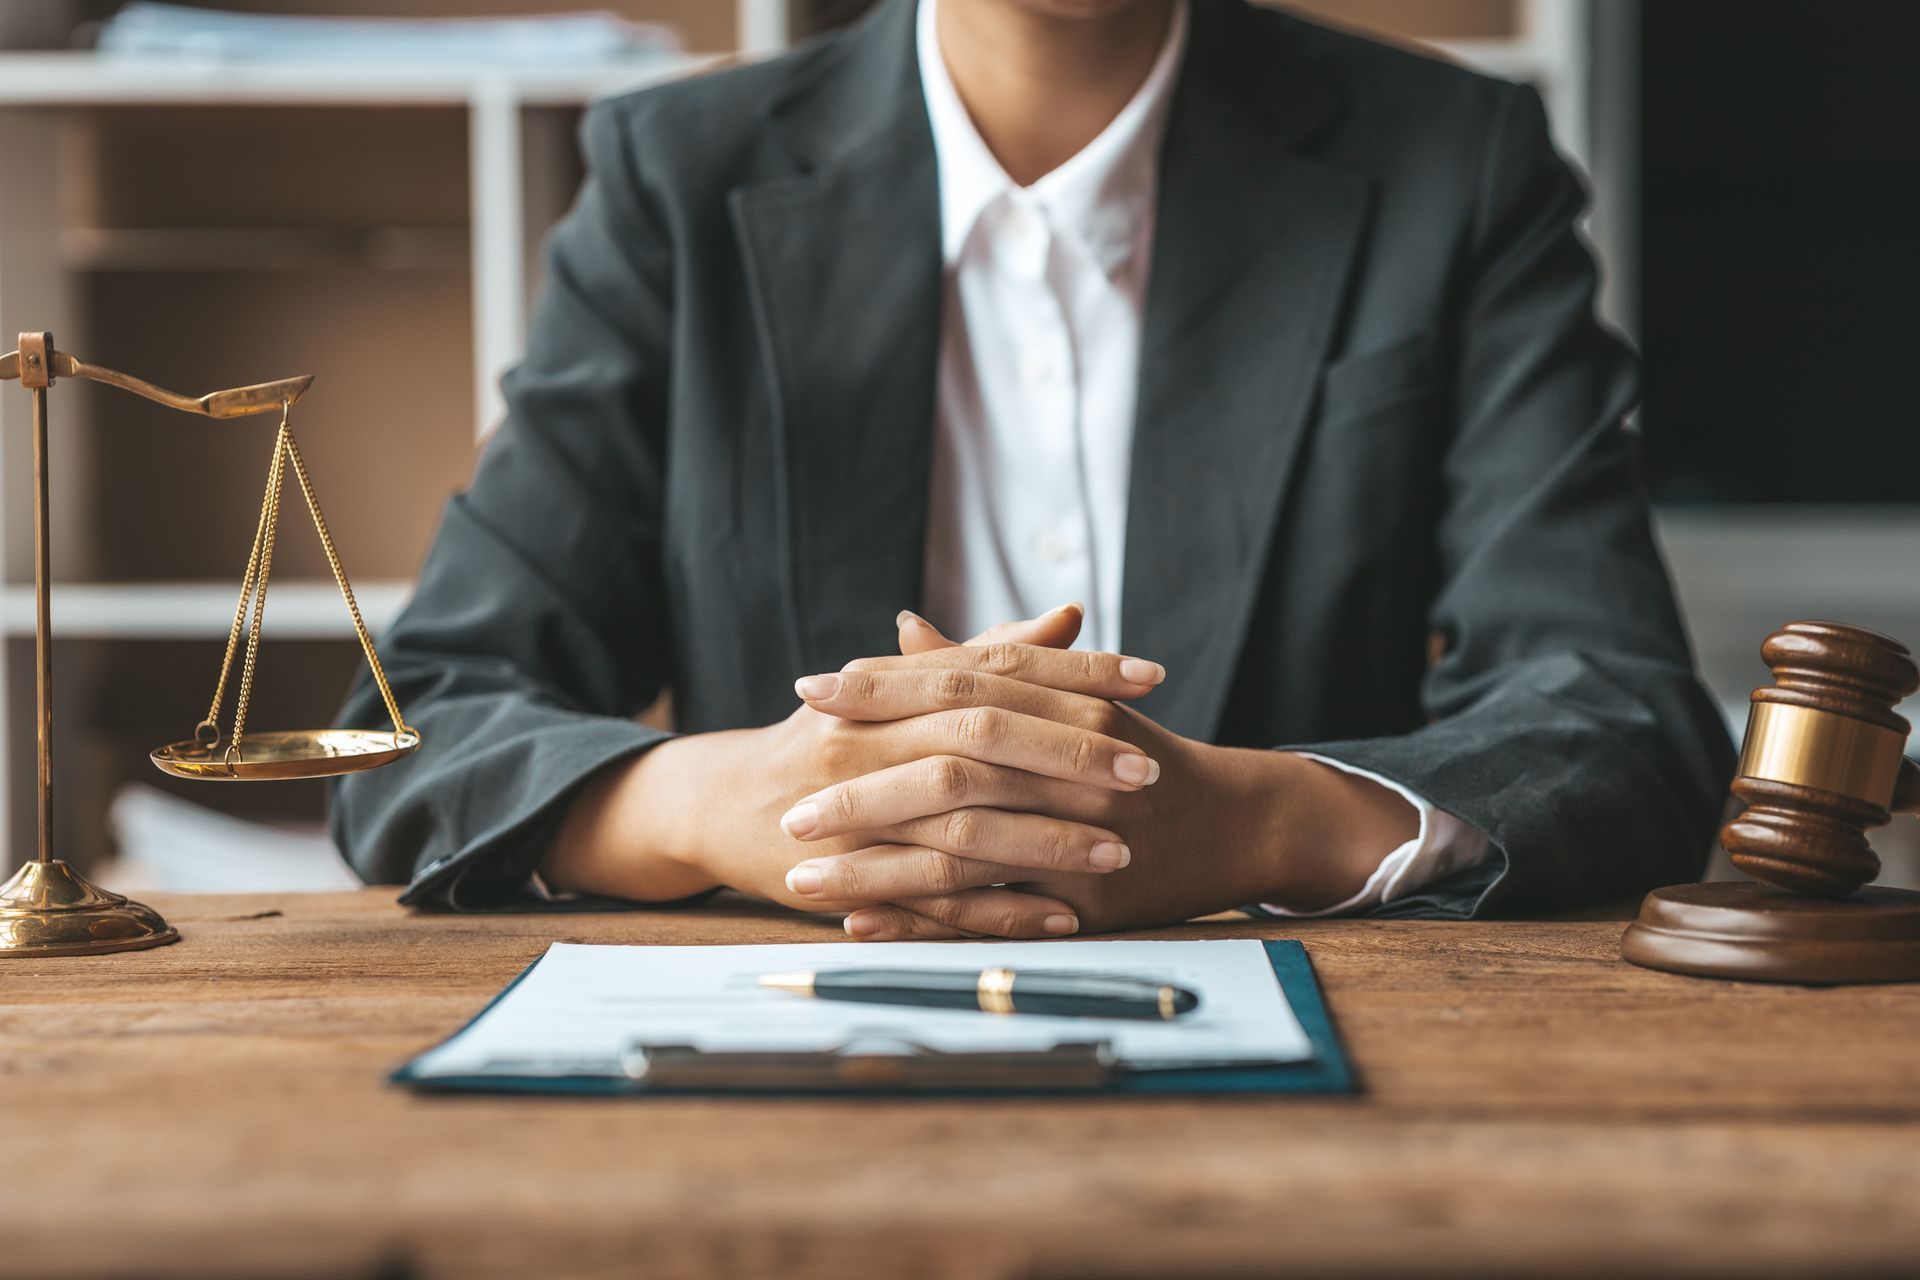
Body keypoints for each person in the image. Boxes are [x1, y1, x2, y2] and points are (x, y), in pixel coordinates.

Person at [332, 0, 1734, 937]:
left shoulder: (1456, 166)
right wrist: (729, 804)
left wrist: (1254, 823)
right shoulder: (677, 179)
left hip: (1329, 1063)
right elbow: (422, 724)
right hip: (783, 1053)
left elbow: (1623, 726)